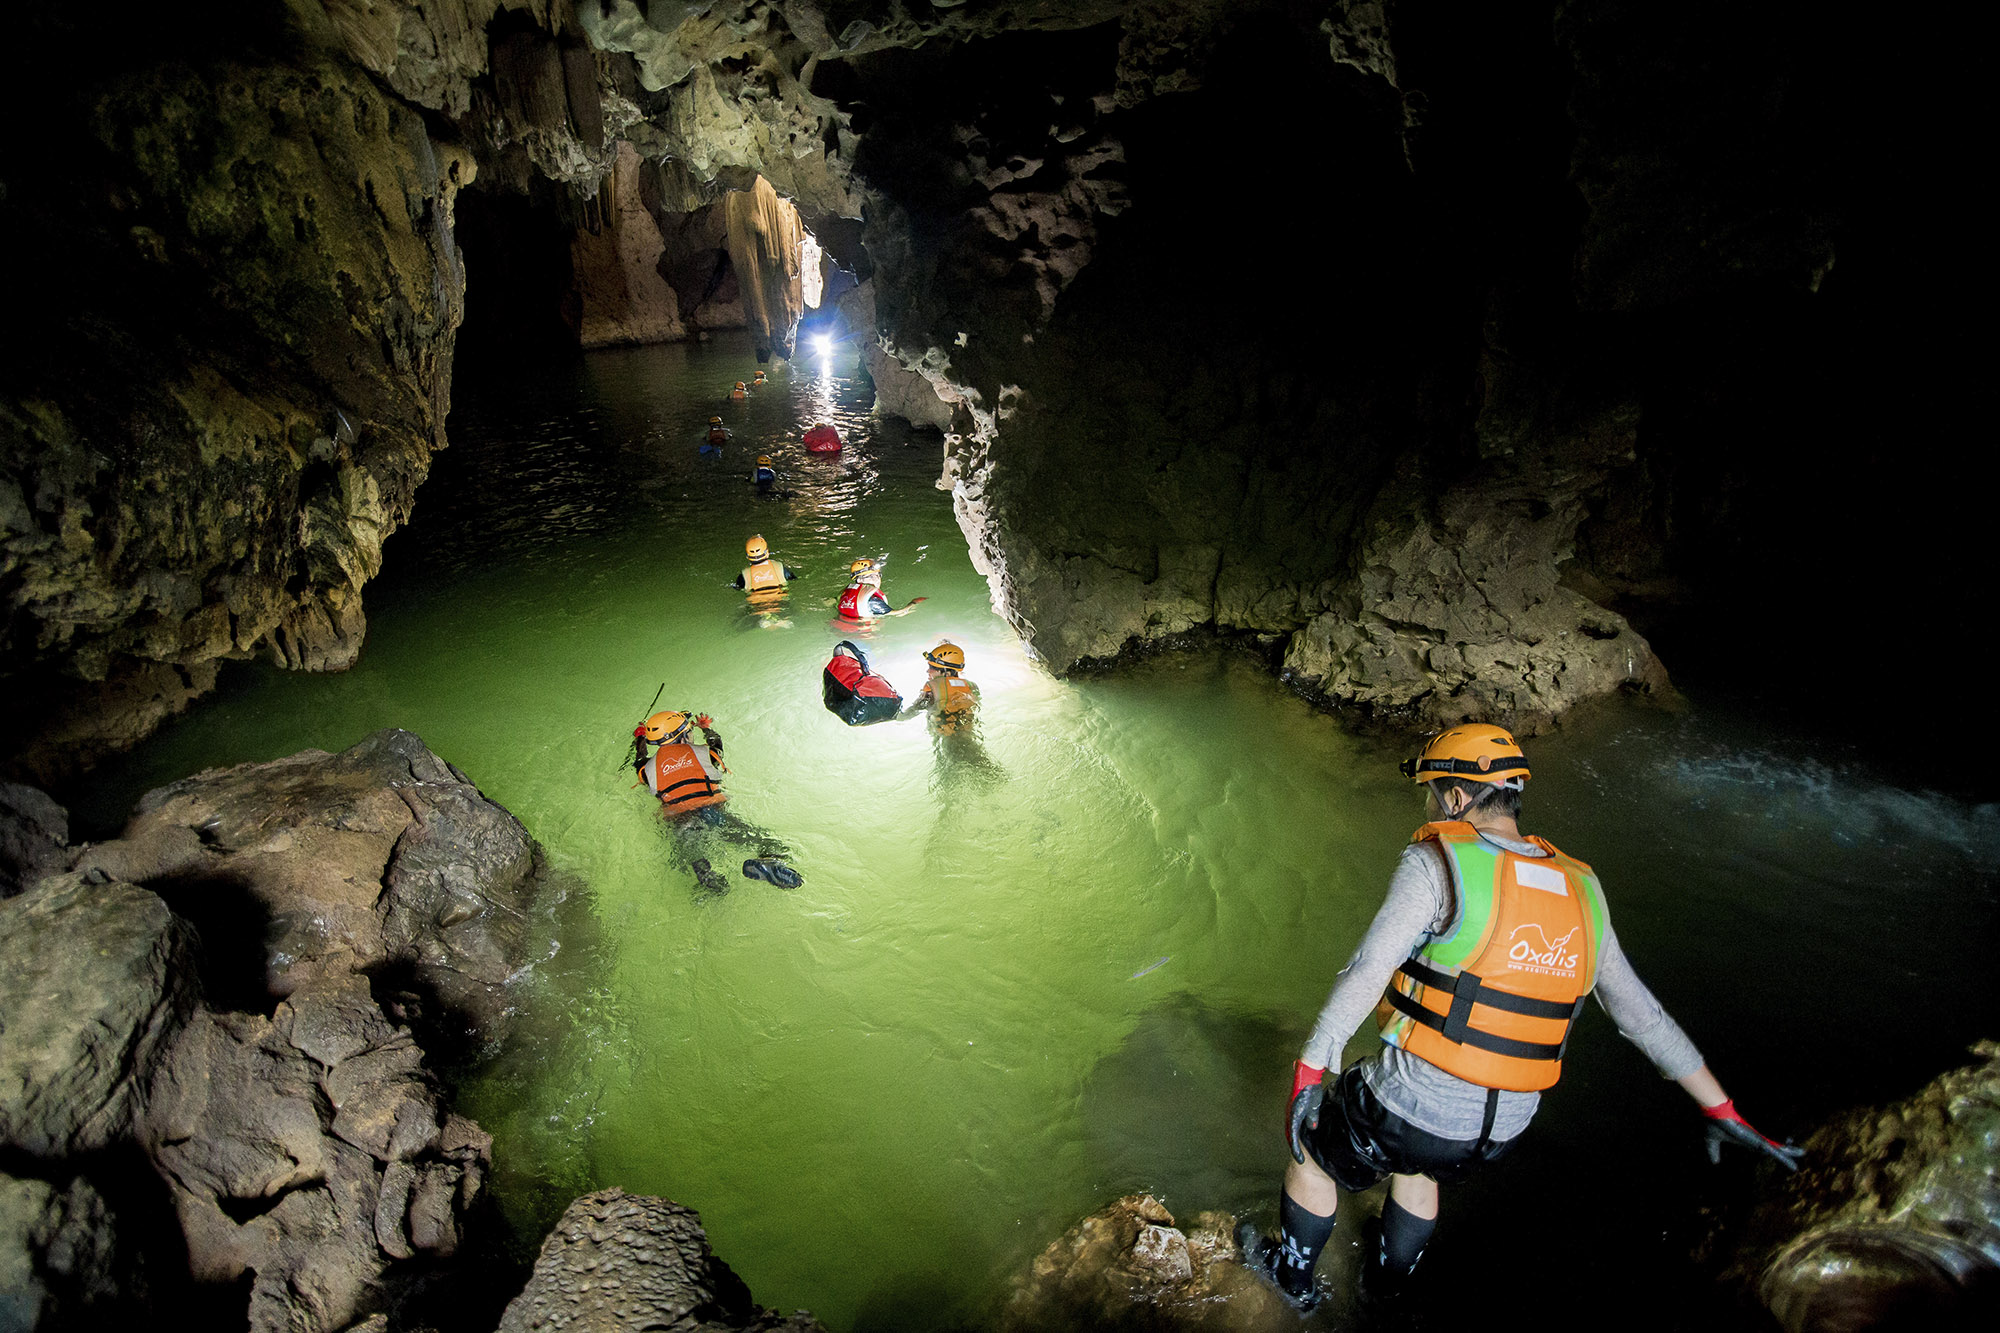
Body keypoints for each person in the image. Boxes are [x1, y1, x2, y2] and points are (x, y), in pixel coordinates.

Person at [1240, 723, 1800, 1310]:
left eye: (1433, 791)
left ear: (1457, 798)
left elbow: (1367, 969)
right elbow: (1642, 1015)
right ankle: (1383, 1285)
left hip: (1414, 1104)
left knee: (1312, 1151)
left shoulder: (1436, 863)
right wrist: (1721, 1107)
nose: (1431, 804)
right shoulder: (1583, 886)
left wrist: (1309, 1070)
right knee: (1423, 1168)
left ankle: (1293, 1280)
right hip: (1503, 1128)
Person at [631, 709, 799, 891]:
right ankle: (770, 860)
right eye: (689, 731)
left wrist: (639, 737)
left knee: (694, 858)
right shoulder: (707, 753)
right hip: (712, 813)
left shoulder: (646, 770)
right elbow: (716, 742)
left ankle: (709, 881)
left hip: (680, 823)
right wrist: (706, 728)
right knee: (768, 842)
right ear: (683, 737)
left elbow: (639, 758)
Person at [898, 639, 979, 735]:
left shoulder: (933, 687)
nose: (928, 671)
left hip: (946, 734)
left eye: (931, 668)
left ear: (947, 673)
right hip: (968, 734)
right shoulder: (972, 686)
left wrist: (898, 717)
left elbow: (915, 709)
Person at [734, 535, 799, 595]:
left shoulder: (744, 574)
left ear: (748, 556)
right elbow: (793, 579)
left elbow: (737, 588)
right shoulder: (779, 567)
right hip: (779, 599)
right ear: (767, 552)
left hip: (756, 602)